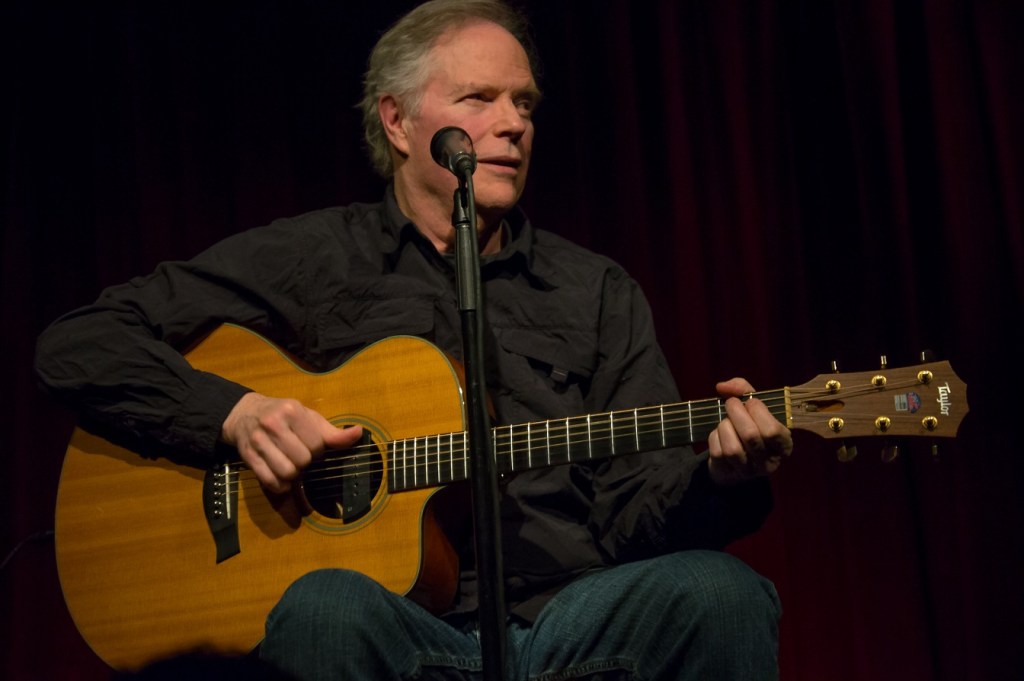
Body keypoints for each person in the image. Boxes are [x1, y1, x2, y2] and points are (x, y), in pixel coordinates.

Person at [35, 1, 792, 679]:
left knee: (719, 593)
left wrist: (719, 479)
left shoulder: (596, 290)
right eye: (479, 98)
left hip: (566, 616)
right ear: (398, 122)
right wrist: (235, 415)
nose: (514, 123)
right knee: (325, 607)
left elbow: (635, 515)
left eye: (524, 102)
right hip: (391, 623)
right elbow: (79, 344)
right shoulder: (313, 259)